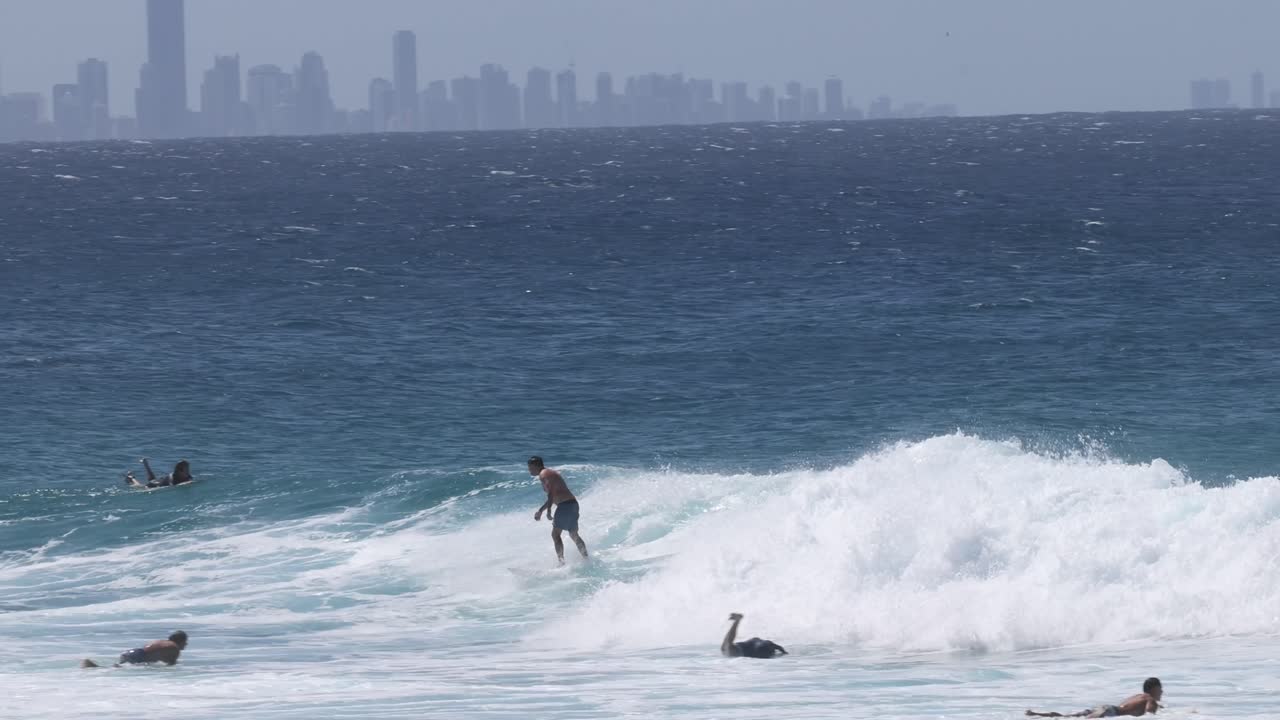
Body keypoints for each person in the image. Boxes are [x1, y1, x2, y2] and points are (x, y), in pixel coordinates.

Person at [528, 456, 588, 564]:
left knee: (555, 534)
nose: (529, 470)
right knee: (574, 535)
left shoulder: (543, 474)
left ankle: (561, 562)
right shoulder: (549, 473)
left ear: (536, 466)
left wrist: (549, 510)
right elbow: (553, 495)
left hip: (565, 506)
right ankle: (586, 559)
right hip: (572, 504)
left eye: (530, 468)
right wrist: (541, 510)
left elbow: (551, 492)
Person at [1026, 678, 1163, 718]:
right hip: (1109, 711)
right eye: (1160, 688)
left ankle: (1036, 714)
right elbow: (1150, 715)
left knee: (1067, 717)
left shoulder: (1138, 696)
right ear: (1153, 689)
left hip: (1106, 708)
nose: (1162, 691)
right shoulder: (1149, 699)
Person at [80, 631, 189, 668]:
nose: (186, 644)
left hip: (133, 652)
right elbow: (171, 667)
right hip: (138, 656)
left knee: (117, 667)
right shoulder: (174, 648)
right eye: (185, 641)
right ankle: (91, 667)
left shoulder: (163, 643)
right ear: (181, 641)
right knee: (117, 669)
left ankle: (91, 665)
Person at [720, 612, 787, 659]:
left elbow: (779, 647)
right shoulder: (765, 646)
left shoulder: (765, 646)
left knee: (725, 648)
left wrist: (784, 652)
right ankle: (737, 620)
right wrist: (784, 652)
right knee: (727, 647)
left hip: (746, 646)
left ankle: (737, 621)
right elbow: (779, 647)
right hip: (746, 647)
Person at [125, 458, 193, 489]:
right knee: (139, 486)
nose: (188, 470)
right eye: (187, 469)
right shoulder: (172, 476)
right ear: (180, 471)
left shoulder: (186, 475)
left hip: (159, 481)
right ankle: (131, 478)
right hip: (155, 484)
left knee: (152, 478)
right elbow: (171, 486)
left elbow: (189, 480)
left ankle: (145, 463)